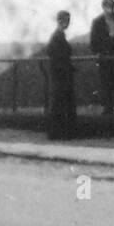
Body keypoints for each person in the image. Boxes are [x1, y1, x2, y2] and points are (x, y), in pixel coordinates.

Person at [43, 11, 76, 140]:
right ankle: (57, 133)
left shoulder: (58, 36)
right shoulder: (57, 36)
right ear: (61, 21)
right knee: (59, 103)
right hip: (60, 75)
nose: (68, 23)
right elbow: (55, 54)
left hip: (59, 73)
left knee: (59, 103)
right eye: (66, 20)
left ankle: (57, 132)